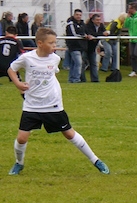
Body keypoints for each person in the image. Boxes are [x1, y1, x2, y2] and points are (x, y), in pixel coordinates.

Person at [7, 27, 110, 176]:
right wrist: (18, 84)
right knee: (22, 138)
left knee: (69, 134)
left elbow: (51, 77)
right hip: (32, 105)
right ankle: (19, 163)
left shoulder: (55, 59)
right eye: (51, 43)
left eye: (55, 43)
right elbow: (11, 69)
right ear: (40, 43)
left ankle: (96, 160)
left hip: (52, 104)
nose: (54, 46)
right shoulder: (27, 58)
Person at [64, 9, 87, 83]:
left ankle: (71, 79)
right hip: (73, 46)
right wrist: (83, 35)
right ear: (74, 15)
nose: (78, 16)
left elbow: (85, 32)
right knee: (78, 62)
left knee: (74, 63)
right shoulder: (70, 24)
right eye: (77, 15)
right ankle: (76, 79)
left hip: (80, 46)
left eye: (80, 15)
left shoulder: (83, 24)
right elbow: (73, 34)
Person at [84, 13, 106, 83]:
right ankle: (81, 79)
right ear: (93, 20)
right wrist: (102, 34)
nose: (99, 21)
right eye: (97, 20)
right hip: (85, 47)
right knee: (82, 64)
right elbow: (91, 33)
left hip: (92, 48)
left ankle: (95, 79)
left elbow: (104, 32)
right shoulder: (88, 26)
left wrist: (105, 33)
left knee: (93, 64)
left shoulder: (101, 25)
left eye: (99, 20)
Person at [125, 2, 137, 77]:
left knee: (136, 53)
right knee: (132, 55)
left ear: (133, 9)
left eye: (129, 8)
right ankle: (134, 70)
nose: (128, 10)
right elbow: (126, 25)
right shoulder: (130, 17)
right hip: (132, 38)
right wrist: (128, 17)